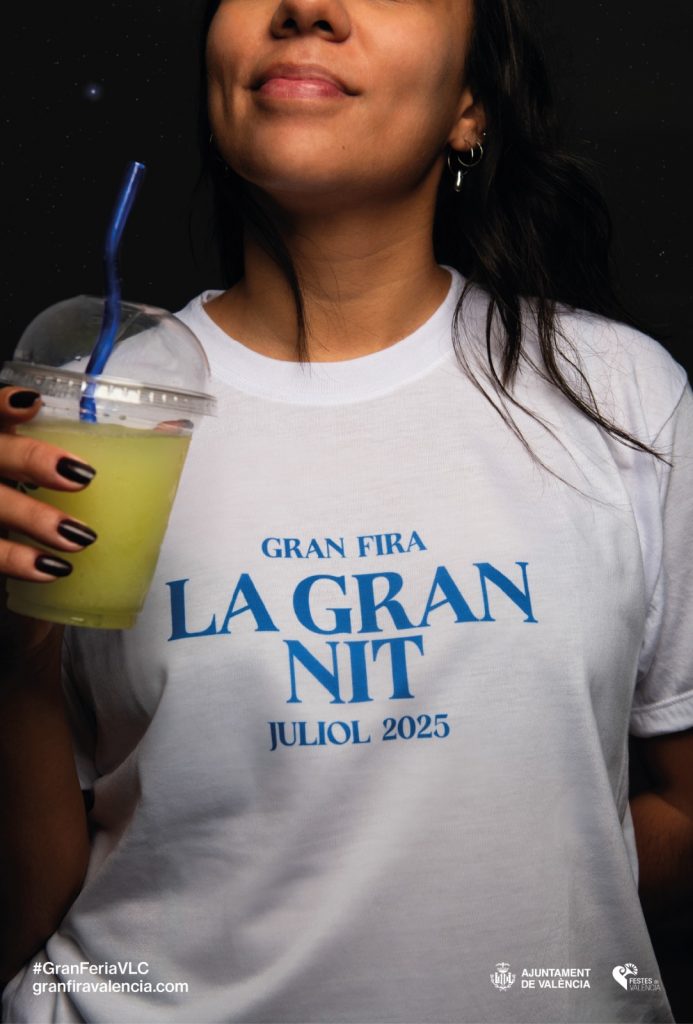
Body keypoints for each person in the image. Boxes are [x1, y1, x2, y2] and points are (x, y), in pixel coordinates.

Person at [1, 0, 692, 1020]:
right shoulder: (88, 416)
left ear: (470, 109)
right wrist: (14, 651)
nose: (306, 9)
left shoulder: (623, 397)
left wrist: (509, 928)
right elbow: (22, 906)